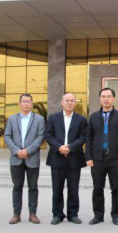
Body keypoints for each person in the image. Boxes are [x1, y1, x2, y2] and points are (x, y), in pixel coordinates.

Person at [86, 87, 118, 226]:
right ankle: (98, 215)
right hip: (97, 159)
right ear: (100, 99)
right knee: (97, 189)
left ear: (113, 98)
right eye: (103, 96)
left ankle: (116, 215)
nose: (106, 99)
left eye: (108, 96)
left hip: (115, 159)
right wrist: (88, 157)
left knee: (116, 189)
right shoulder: (93, 117)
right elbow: (89, 138)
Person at [45, 93, 88, 225]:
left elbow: (83, 137)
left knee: (73, 189)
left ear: (75, 103)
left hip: (74, 158)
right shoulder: (53, 118)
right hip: (56, 158)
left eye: (72, 100)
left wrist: (69, 147)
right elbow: (48, 135)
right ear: (62, 102)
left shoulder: (81, 119)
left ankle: (72, 214)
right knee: (57, 189)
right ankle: (57, 215)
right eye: (67, 100)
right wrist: (59, 147)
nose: (69, 103)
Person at [4, 94, 45, 225]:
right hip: (16, 158)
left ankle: (33, 214)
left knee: (33, 187)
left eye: (29, 102)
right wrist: (17, 151)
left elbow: (40, 137)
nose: (26, 104)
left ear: (32, 104)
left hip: (32, 158)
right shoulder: (12, 119)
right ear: (19, 104)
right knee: (17, 187)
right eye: (24, 101)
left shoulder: (39, 119)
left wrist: (27, 151)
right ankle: (16, 214)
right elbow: (7, 136)